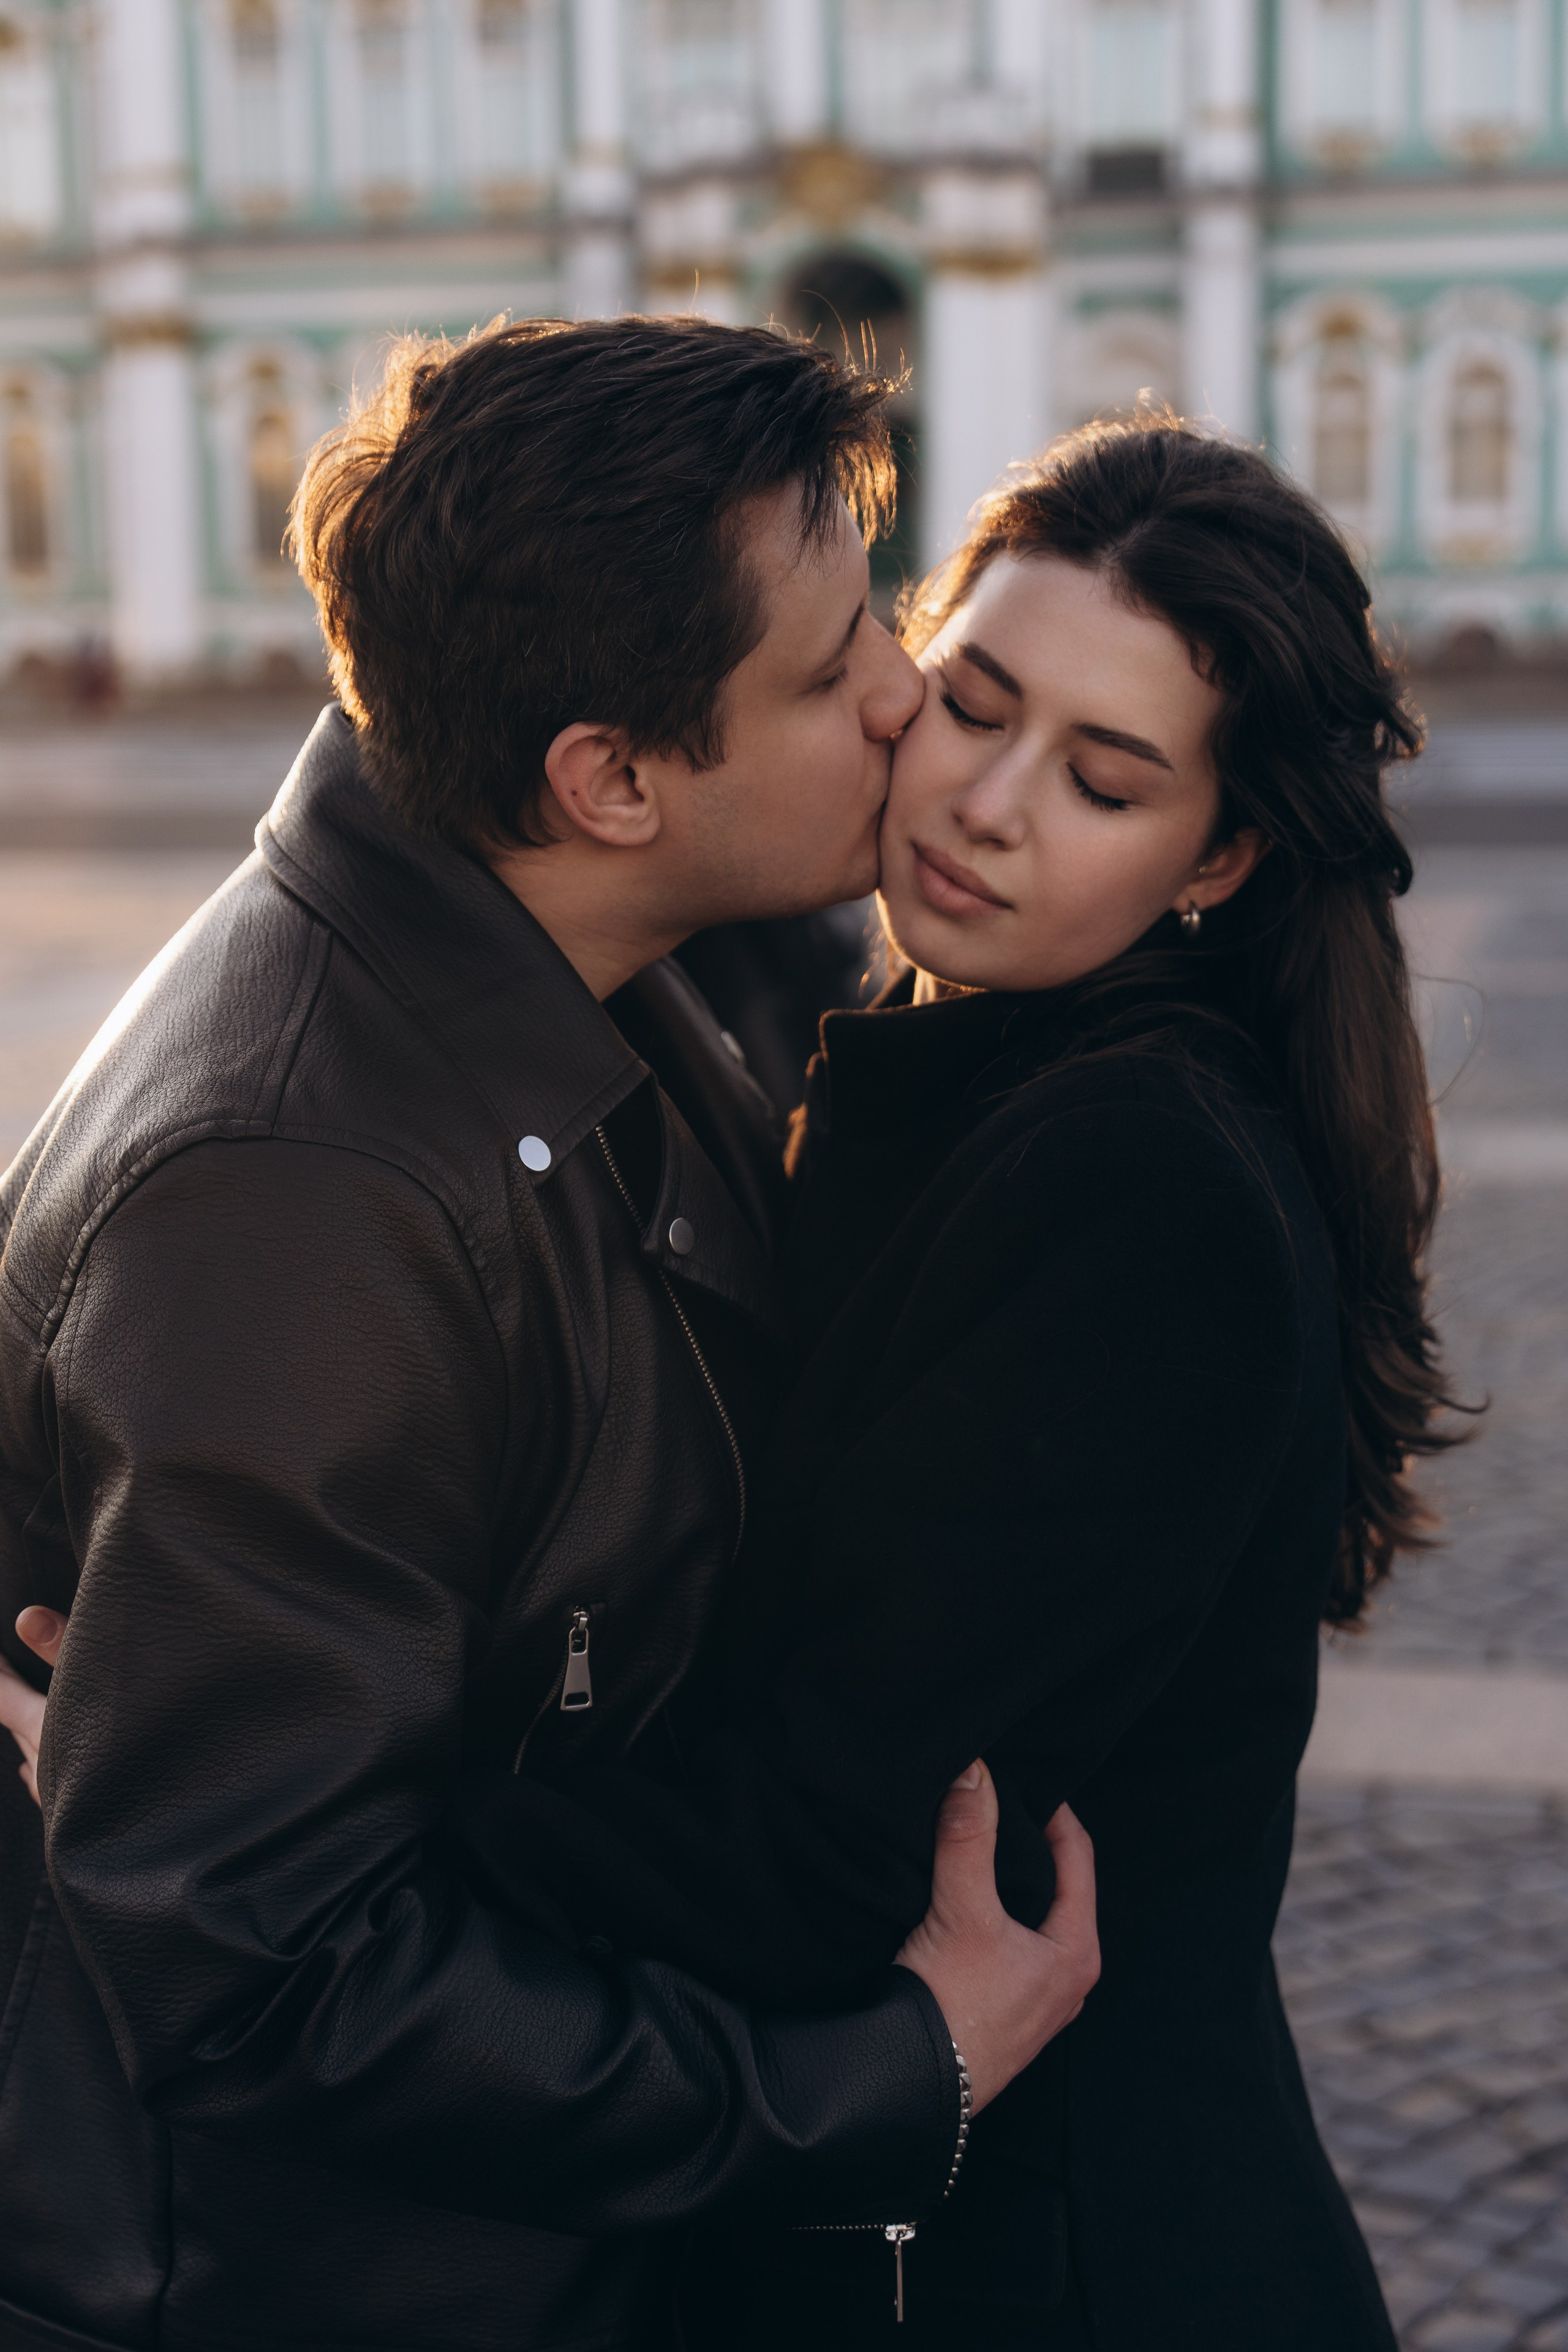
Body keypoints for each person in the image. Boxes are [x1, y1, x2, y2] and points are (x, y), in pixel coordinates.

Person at [0, 318, 1100, 2352]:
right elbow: (262, 1963)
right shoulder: (297, 1199)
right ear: (605, 778)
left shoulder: (595, 960)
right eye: (835, 664)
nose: (908, 693)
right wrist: (866, 2090)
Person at [379, 417, 1461, 2346]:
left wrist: (275, 1790)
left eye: (1105, 781)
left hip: (1058, 2255)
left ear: (1217, 857)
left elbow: (825, 1837)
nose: (989, 804)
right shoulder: (936, 1054)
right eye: (976, 703)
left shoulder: (1140, 1182)